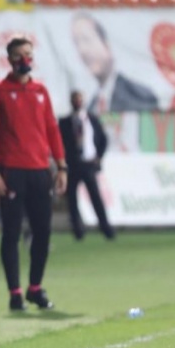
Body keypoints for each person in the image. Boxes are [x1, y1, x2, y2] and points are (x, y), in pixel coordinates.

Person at [0, 37, 67, 312]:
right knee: (11, 233)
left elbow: (52, 129)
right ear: (9, 59)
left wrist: (61, 166)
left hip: (40, 171)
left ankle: (35, 288)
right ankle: (15, 293)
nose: (24, 60)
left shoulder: (41, 91)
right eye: (19, 55)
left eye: (28, 54)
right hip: (12, 171)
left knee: (42, 232)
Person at [71, 12, 159, 113]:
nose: (83, 50)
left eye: (86, 39)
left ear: (106, 44)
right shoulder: (90, 108)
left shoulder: (140, 96)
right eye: (77, 44)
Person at [59, 90, 115, 241]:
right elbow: (60, 143)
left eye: (79, 99)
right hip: (72, 165)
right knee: (72, 199)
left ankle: (106, 228)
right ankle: (78, 230)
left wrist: (99, 157)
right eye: (75, 99)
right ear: (71, 101)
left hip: (89, 164)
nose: (77, 102)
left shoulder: (92, 119)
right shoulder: (64, 122)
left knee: (95, 197)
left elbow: (103, 139)